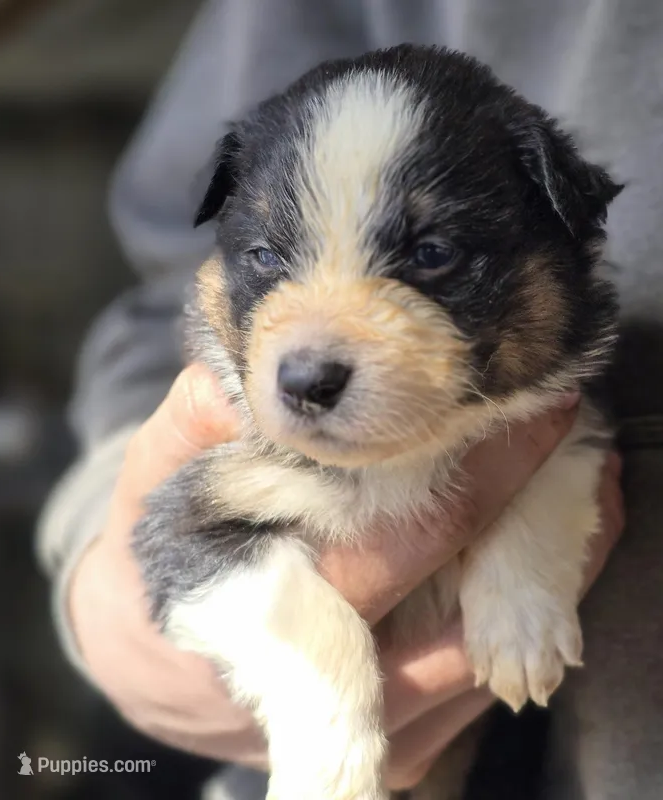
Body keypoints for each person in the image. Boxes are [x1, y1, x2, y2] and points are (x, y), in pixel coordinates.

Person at [37, 1, 663, 798]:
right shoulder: (243, 437)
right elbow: (197, 549)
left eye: (432, 256)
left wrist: (522, 564)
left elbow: (574, 456)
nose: (310, 360)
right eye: (268, 254)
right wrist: (309, 685)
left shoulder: (555, 421)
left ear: (568, 243)